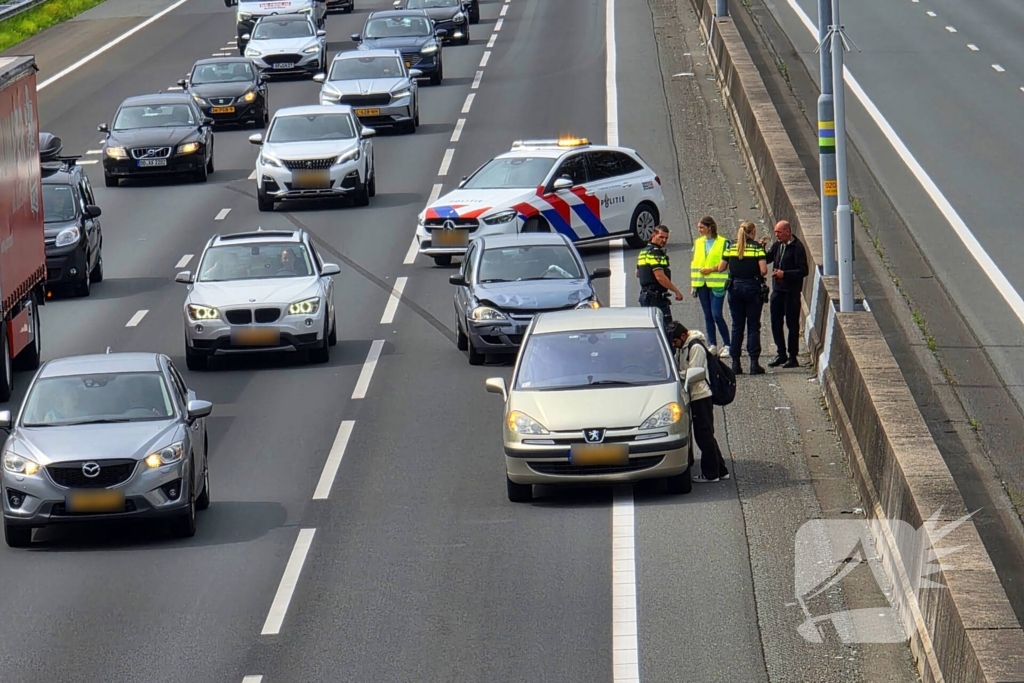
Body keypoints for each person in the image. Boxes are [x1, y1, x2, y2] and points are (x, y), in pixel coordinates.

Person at [668, 321, 730, 483]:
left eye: (675, 341)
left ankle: (711, 474)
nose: (674, 345)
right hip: (694, 395)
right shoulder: (683, 347)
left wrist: (674, 375)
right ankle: (721, 469)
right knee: (707, 434)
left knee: (703, 436)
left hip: (701, 395)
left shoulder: (695, 347)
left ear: (683, 336)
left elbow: (694, 372)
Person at [717, 220, 768, 375]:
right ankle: (754, 363)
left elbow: (721, 268)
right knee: (753, 326)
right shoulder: (757, 248)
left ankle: (735, 364)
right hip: (752, 288)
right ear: (752, 233)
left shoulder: (731, 247)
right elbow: (764, 271)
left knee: (737, 326)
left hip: (734, 288)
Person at [760, 220, 808, 368]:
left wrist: (784, 274)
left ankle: (793, 356)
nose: (776, 235)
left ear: (788, 232)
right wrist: (761, 249)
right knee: (775, 323)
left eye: (779, 232)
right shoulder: (777, 245)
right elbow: (768, 258)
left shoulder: (797, 247)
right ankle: (781, 354)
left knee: (792, 324)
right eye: (775, 232)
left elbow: (803, 271)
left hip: (791, 293)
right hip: (778, 291)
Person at [690, 216, 731, 357]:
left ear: (709, 227)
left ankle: (727, 344)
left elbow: (726, 264)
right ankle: (712, 344)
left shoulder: (724, 243)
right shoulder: (698, 242)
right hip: (701, 283)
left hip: (717, 283)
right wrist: (694, 285)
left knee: (717, 314)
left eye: (701, 227)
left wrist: (711, 270)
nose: (699, 230)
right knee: (708, 315)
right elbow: (695, 264)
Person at [636, 225, 684, 329]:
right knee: (667, 329)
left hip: (645, 296)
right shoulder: (656, 252)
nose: (664, 240)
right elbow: (660, 277)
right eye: (661, 237)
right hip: (656, 297)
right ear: (653, 235)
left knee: (652, 329)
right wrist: (676, 291)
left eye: (666, 238)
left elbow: (637, 273)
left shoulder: (643, 251)